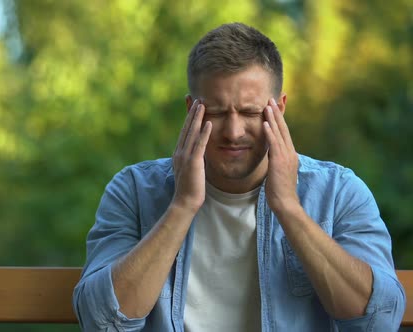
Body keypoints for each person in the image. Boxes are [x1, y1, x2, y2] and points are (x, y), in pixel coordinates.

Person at [72, 22, 405, 331]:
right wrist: (182, 206)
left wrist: (288, 207)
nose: (233, 132)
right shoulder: (132, 190)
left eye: (250, 112)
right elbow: (101, 321)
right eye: (216, 112)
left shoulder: (339, 191)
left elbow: (378, 320)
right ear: (191, 110)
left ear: (280, 108)